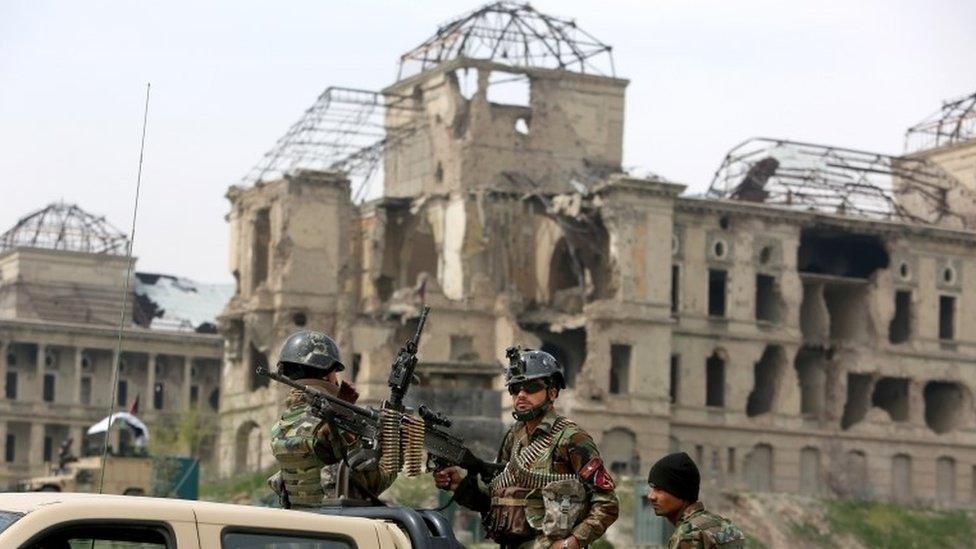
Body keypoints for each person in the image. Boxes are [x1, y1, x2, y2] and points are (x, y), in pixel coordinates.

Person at [434, 348, 619, 548]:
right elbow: (496, 498)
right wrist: (459, 485)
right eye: (515, 388)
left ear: (552, 392)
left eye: (531, 387)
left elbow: (607, 503)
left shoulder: (572, 439)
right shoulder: (514, 437)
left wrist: (572, 542)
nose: (521, 395)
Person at [268, 330, 394, 508]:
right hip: (336, 522)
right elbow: (370, 484)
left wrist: (342, 409)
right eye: (335, 372)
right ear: (328, 374)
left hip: (298, 520)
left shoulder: (281, 425)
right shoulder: (331, 425)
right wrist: (393, 446)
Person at [646, 452, 745, 548]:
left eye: (659, 489)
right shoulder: (725, 526)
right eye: (652, 489)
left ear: (680, 492)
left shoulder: (689, 534)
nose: (651, 496)